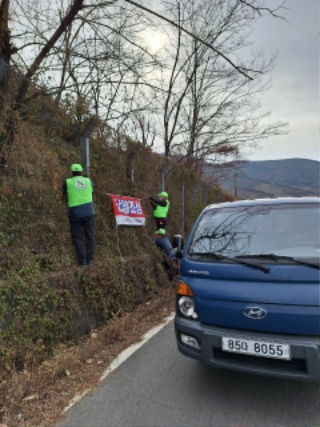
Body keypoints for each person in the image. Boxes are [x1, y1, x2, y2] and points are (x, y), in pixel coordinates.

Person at [62, 163, 95, 267]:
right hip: (89, 211)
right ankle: (90, 260)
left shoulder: (67, 182)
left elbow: (64, 193)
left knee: (77, 237)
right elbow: (92, 190)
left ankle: (82, 262)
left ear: (72, 172)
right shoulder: (89, 181)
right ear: (81, 172)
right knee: (89, 236)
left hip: (75, 212)